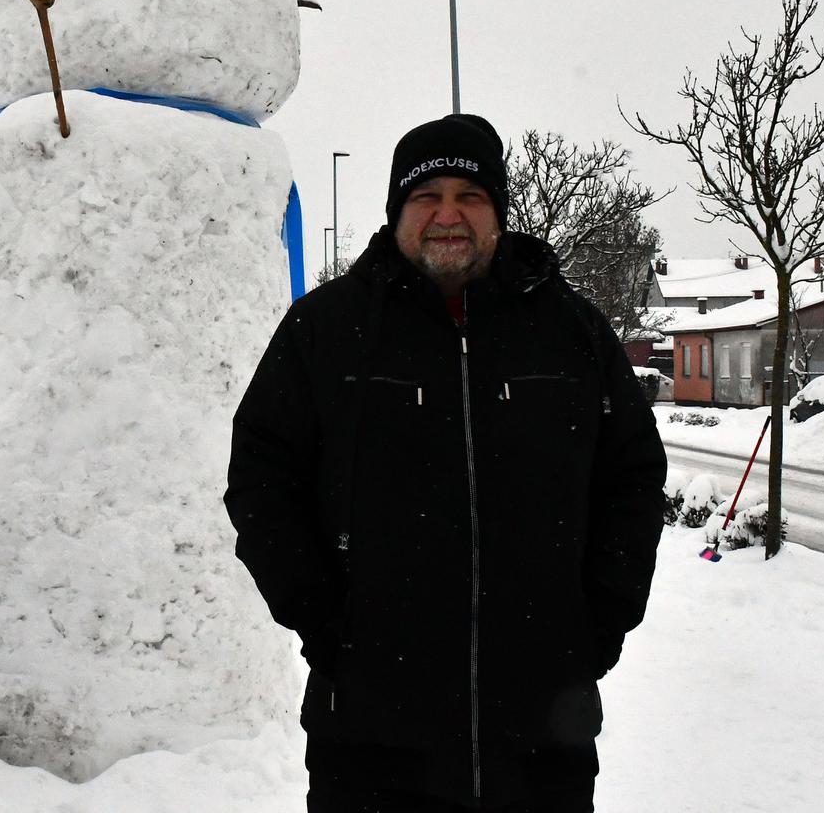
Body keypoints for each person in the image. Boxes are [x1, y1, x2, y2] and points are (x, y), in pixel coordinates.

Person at [225, 114, 668, 812]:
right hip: (369, 736)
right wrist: (323, 618)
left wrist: (598, 624)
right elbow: (261, 478)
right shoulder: (329, 331)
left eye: (471, 196)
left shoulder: (569, 331)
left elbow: (632, 477)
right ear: (398, 210)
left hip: (541, 736)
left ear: (498, 211)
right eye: (427, 197)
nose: (448, 215)